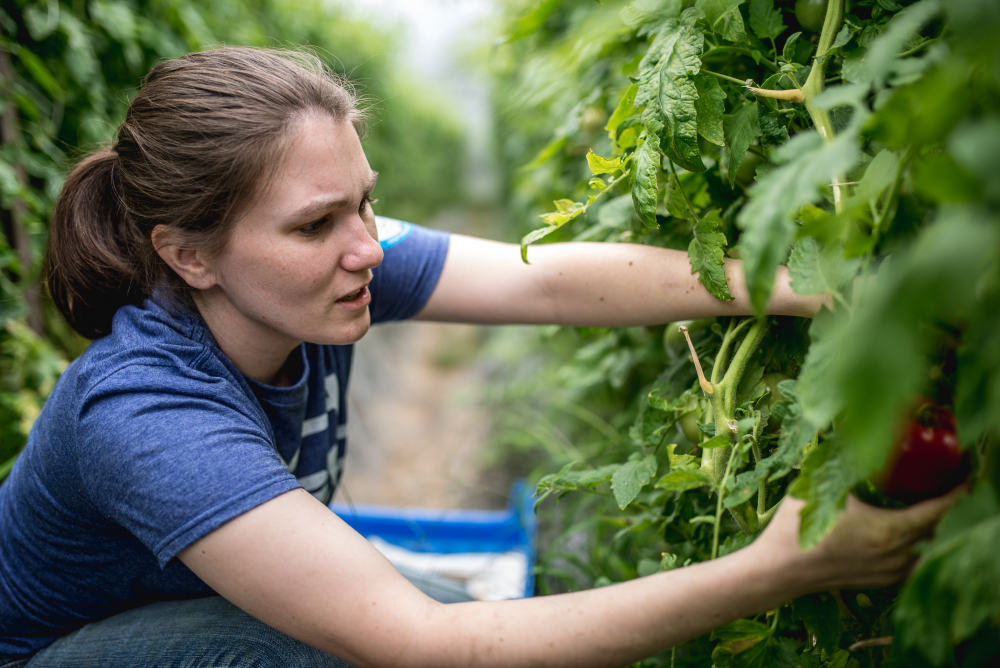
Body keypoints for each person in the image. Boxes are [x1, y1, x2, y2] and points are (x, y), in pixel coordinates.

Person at [0, 47, 959, 668]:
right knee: (368, 648)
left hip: (188, 611)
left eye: (365, 201)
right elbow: (428, 645)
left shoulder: (327, 270)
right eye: (316, 223)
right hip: (58, 654)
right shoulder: (144, 417)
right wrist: (777, 569)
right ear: (188, 253)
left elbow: (544, 282)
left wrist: (784, 279)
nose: (368, 245)